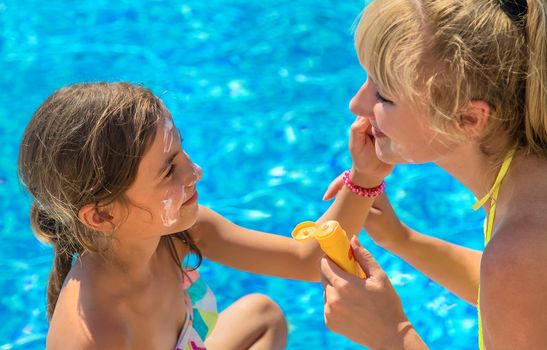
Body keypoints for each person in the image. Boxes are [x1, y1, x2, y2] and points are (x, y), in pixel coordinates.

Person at [18, 82, 387, 349]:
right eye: (168, 170)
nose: (195, 172)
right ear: (101, 215)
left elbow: (307, 260)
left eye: (181, 153)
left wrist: (365, 176)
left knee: (263, 316)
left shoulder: (178, 235)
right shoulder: (93, 337)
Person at [320, 0, 547, 348]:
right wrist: (400, 239)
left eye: (383, 95)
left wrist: (392, 335)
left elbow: (513, 284)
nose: (357, 104)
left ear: (469, 119)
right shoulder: (526, 177)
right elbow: (519, 302)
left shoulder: (520, 247)